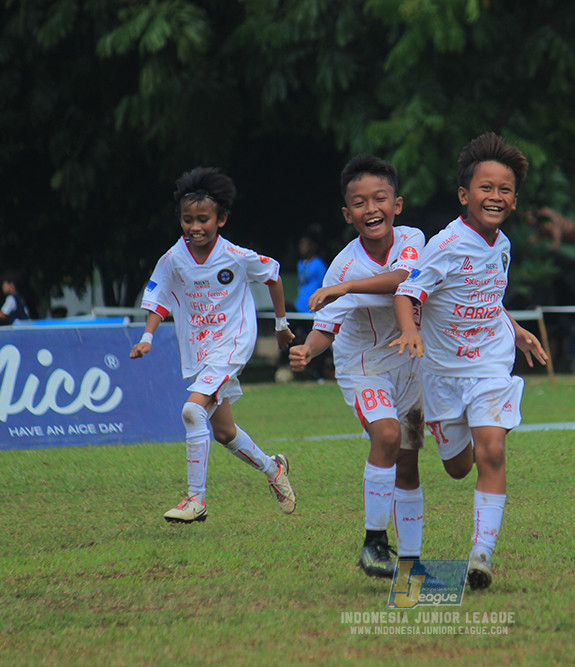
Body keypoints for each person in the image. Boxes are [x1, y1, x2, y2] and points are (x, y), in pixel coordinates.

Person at [392, 133, 548, 591]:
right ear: (465, 195)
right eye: (486, 188)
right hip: (441, 375)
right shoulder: (444, 245)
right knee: (458, 467)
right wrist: (410, 330)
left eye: (504, 190)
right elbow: (407, 292)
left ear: (514, 200)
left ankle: (481, 554)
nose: (495, 196)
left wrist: (516, 331)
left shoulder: (502, 245)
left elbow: (488, 297)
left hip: (489, 367)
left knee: (493, 450)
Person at [130, 167, 297, 523]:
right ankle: (274, 469)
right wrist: (147, 337)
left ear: (220, 220)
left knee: (192, 411)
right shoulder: (173, 259)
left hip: (232, 343)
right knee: (223, 431)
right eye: (187, 220)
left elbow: (274, 276)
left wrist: (281, 326)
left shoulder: (235, 256)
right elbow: (159, 298)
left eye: (203, 219)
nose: (195, 227)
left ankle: (196, 500)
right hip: (199, 351)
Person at [288, 155, 428, 580]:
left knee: (408, 463)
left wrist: (345, 288)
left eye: (379, 199)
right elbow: (327, 327)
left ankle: (411, 561)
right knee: (386, 434)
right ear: (348, 214)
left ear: (396, 205)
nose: (372, 209)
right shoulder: (343, 265)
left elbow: (404, 277)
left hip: (410, 365)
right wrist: (308, 350)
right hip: (363, 366)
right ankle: (373, 543)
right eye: (360, 203)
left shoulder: (413, 239)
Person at [291, 229, 329, 380]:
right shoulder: (300, 264)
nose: (302, 247)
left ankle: (318, 373)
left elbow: (324, 284)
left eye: (306, 245)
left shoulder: (319, 264)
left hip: (313, 310)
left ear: (313, 246)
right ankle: (295, 369)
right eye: (301, 244)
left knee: (316, 340)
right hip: (300, 307)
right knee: (295, 337)